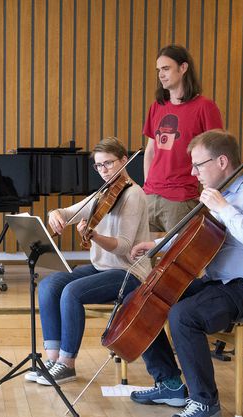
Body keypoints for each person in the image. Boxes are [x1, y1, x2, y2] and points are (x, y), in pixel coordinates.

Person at [129, 130, 243, 417]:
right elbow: (200, 236)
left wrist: (225, 208)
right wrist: (160, 244)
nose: (192, 172)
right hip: (220, 283)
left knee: (184, 315)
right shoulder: (217, 192)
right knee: (152, 294)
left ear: (222, 161)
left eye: (198, 165)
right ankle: (169, 382)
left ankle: (205, 402)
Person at [29, 137, 152, 386]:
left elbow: (125, 246)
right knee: (49, 285)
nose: (104, 170)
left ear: (124, 161)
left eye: (108, 163)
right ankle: (52, 359)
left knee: (72, 292)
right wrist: (56, 214)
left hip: (129, 272)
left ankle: (67, 364)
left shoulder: (134, 195)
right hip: (102, 267)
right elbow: (69, 212)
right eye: (99, 166)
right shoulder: (102, 193)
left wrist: (94, 236)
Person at [142, 44, 223, 233]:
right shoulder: (157, 107)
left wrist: (209, 193)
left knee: (176, 258)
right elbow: (150, 151)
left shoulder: (205, 106)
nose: (161, 74)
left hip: (181, 198)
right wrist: (147, 186)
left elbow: (217, 154)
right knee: (139, 257)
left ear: (183, 68)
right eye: (158, 70)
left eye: (166, 68)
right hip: (150, 196)